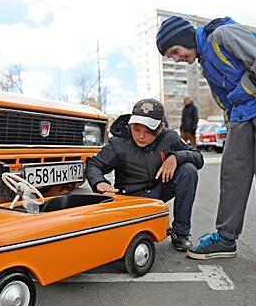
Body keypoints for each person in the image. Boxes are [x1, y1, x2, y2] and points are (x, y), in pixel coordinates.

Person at [156, 16, 256, 270]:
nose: (176, 59)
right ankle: (226, 238)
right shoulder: (204, 61)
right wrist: (231, 121)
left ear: (185, 38)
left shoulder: (223, 35)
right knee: (232, 171)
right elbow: (224, 97)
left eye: (175, 52)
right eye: (171, 57)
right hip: (241, 114)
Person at [85, 98, 204, 251]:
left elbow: (198, 157)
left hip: (158, 190)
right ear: (130, 124)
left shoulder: (170, 138)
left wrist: (176, 157)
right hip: (131, 198)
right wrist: (99, 182)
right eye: (136, 129)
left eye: (148, 131)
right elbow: (94, 165)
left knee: (188, 170)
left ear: (160, 127)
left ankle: (180, 233)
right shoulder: (118, 143)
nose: (141, 136)